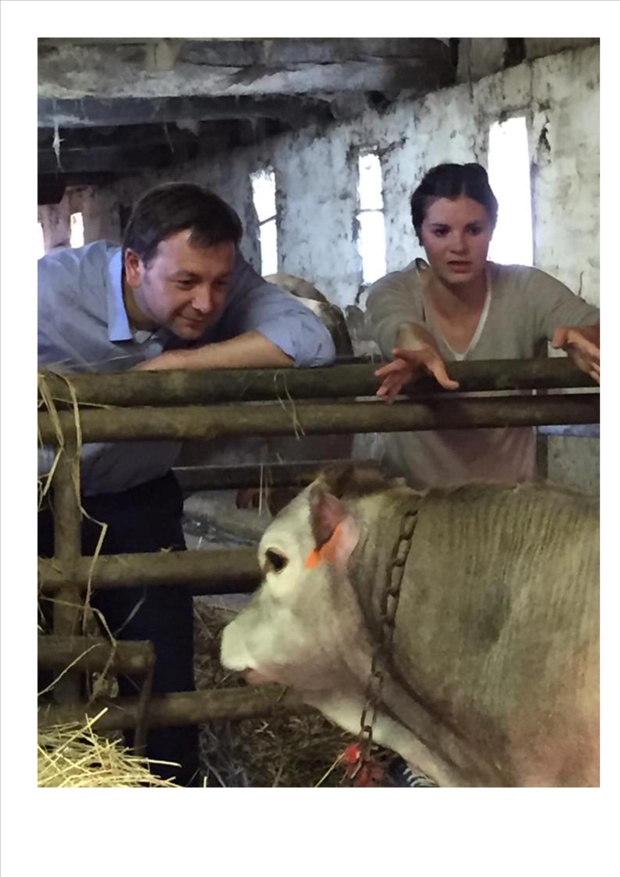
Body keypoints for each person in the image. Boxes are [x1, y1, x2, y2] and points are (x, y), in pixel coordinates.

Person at [38, 182, 336, 785]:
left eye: (219, 283)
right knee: (36, 665)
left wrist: (168, 369)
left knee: (162, 673)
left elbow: (312, 341)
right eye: (185, 283)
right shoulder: (47, 291)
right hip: (33, 501)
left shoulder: (226, 281)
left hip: (136, 499)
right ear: (133, 263)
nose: (206, 303)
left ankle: (168, 795)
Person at [365, 162, 600, 490]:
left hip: (507, 512)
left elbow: (593, 324)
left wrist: (589, 336)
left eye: (474, 230)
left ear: (492, 230)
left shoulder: (525, 287)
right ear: (420, 234)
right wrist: (416, 344)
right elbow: (397, 322)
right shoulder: (393, 290)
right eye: (441, 231)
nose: (459, 246)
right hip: (414, 510)